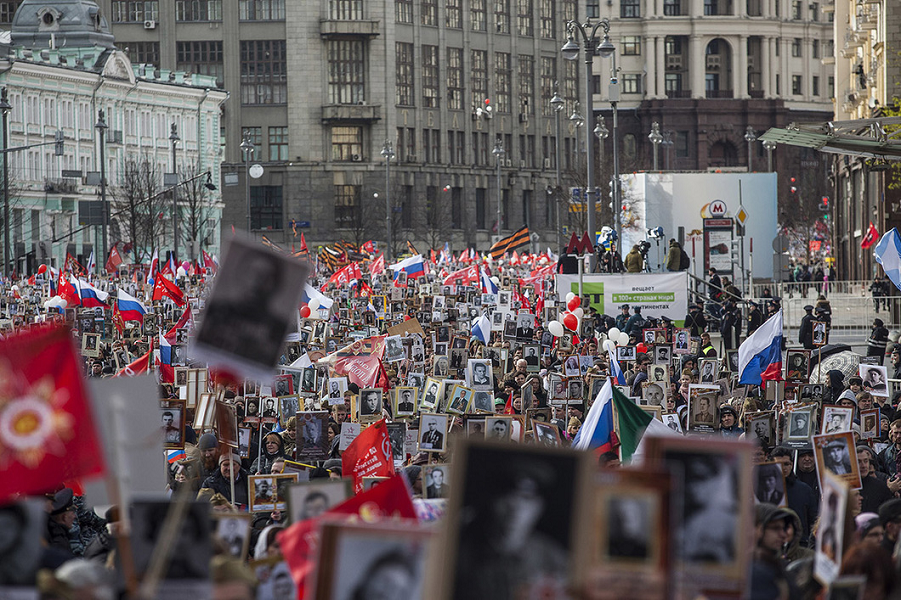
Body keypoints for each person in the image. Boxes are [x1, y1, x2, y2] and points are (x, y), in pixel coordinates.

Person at [195, 248, 291, 367]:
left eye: (265, 277)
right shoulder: (216, 314)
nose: (257, 282)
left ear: (275, 284)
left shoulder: (279, 328)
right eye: (253, 274)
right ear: (241, 276)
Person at [749, 504, 797, 600]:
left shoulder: (785, 569)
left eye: (784, 528)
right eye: (775, 528)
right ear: (759, 529)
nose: (783, 535)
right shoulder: (745, 570)